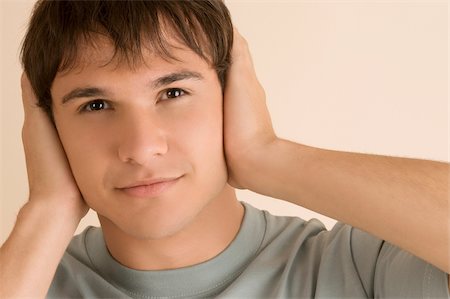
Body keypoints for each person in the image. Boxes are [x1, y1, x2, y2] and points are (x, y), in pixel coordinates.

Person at [0, 0, 448, 298]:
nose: (141, 147)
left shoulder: (357, 268)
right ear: (49, 127)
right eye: (95, 104)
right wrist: (46, 211)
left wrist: (265, 155)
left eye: (173, 93)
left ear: (233, 95)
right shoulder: (27, 281)